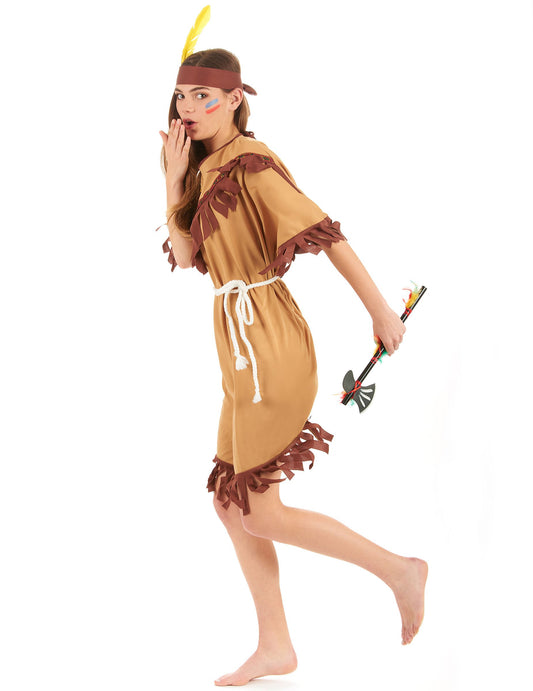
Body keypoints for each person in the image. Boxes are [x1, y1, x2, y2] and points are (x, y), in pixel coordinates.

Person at [157, 46, 428, 687]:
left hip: (270, 343)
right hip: (237, 347)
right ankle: (276, 645)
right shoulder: (199, 169)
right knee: (231, 503)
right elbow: (189, 258)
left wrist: (380, 312)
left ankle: (400, 571)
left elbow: (323, 230)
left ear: (235, 100)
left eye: (204, 96)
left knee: (260, 510)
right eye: (182, 97)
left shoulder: (251, 163)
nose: (190, 108)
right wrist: (172, 182)